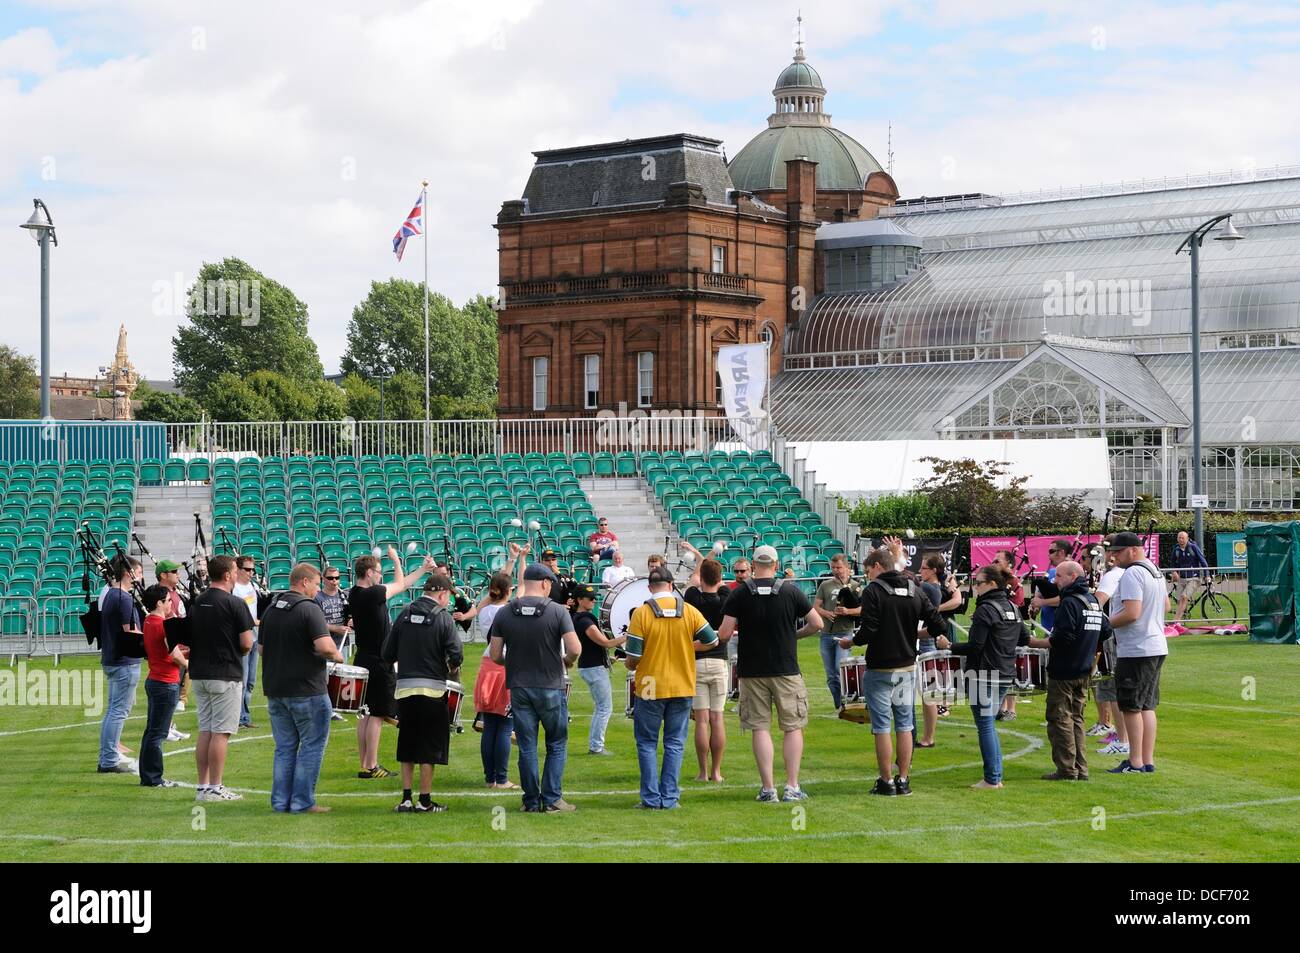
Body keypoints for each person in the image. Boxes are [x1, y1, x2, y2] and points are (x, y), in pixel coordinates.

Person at [719, 545, 822, 803]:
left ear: (753, 565)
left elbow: (723, 633)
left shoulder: (740, 593)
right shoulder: (790, 591)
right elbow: (817, 623)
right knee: (792, 727)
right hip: (786, 668)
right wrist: (794, 636)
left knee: (760, 728)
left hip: (752, 670)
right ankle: (792, 786)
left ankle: (768, 788)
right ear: (776, 565)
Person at [842, 548, 946, 796]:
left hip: (880, 666)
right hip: (907, 666)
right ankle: (903, 779)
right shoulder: (914, 589)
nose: (867, 576)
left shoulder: (874, 591)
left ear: (878, 566)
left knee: (881, 727)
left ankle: (886, 781)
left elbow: (869, 629)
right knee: (904, 724)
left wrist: (851, 643)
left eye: (868, 571)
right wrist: (914, 634)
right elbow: (938, 624)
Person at [488, 563, 581, 812]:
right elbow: (574, 649)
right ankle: (552, 799)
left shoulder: (505, 613)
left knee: (527, 746)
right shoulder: (557, 612)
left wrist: (516, 663)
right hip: (550, 685)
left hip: (519, 686)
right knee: (556, 743)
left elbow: (495, 654)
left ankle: (530, 801)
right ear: (545, 583)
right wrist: (566, 662)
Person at [626, 566, 719, 808]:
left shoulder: (642, 613)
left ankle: (650, 798)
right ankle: (669, 798)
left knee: (647, 743)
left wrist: (628, 662)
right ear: (671, 586)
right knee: (674, 743)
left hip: (649, 684)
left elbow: (634, 656)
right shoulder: (688, 610)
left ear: (649, 587)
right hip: (682, 682)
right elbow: (713, 640)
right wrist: (688, 647)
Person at [260, 564, 343, 813]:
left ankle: (280, 802)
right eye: (317, 584)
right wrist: (338, 657)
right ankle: (302, 802)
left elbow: (262, 648)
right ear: (304, 582)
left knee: (284, 748)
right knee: (311, 746)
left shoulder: (272, 609)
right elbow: (327, 647)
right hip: (307, 689)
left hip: (276, 688)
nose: (318, 589)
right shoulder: (309, 609)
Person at [348, 546, 435, 779]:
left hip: (363, 657)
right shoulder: (371, 593)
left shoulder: (354, 593)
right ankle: (372, 765)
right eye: (377, 571)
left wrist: (422, 568)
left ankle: (365, 763)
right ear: (368, 573)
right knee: (377, 713)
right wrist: (397, 562)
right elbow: (402, 584)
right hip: (378, 660)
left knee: (365, 712)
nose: (379, 575)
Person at [937, 564, 1027, 789]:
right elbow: (1024, 638)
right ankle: (995, 776)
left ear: (992, 584)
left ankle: (993, 778)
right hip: (1004, 673)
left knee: (986, 726)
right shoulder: (1012, 608)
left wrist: (949, 645)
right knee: (988, 725)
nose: (974, 587)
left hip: (984, 674)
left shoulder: (986, 609)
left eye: (978, 583)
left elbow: (975, 646)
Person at [383, 573, 464, 813]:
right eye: (448, 596)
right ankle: (424, 800)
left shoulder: (404, 613)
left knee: (407, 744)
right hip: (433, 690)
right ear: (441, 594)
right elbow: (456, 654)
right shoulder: (443, 618)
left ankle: (406, 798)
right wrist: (450, 666)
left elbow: (387, 653)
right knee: (429, 747)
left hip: (405, 689)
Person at [180, 554, 255, 802]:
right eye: (234, 571)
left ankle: (203, 786)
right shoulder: (235, 603)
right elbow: (247, 642)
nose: (236, 575)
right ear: (227, 574)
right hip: (225, 673)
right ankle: (215, 787)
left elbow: (190, 638)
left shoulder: (197, 602)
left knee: (206, 730)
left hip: (200, 673)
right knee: (221, 732)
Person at [1028, 560, 1106, 781]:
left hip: (1064, 669)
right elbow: (1106, 630)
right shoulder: (1092, 600)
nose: (1054, 580)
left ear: (1073, 577)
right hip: (1085, 668)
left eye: (1059, 576)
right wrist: (1087, 644)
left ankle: (1067, 769)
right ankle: (1081, 768)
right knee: (1077, 719)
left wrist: (1034, 642)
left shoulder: (1069, 602)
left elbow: (1061, 639)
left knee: (1059, 718)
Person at [1104, 531, 1169, 774]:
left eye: (1118, 552)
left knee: (1130, 706)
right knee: (1147, 706)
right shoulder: (1155, 570)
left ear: (1133, 549)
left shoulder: (1132, 573)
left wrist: (1106, 624)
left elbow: (1132, 613)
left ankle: (1135, 761)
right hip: (1155, 644)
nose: (1113, 557)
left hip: (1137, 648)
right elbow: (1166, 606)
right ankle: (1146, 760)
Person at [471, 569, 521, 790]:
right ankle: (501, 779)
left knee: (490, 725)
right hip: (505, 665)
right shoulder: (511, 611)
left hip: (487, 665)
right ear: (508, 591)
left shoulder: (484, 610)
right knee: (505, 725)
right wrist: (519, 560)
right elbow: (523, 590)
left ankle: (490, 777)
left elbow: (486, 601)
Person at [97, 554, 143, 775]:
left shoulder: (110, 595)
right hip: (124, 662)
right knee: (118, 712)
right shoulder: (123, 598)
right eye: (138, 572)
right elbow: (130, 632)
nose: (140, 577)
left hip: (114, 659)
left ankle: (107, 756)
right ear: (128, 573)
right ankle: (108, 759)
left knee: (113, 711)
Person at [684, 557, 728, 782]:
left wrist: (698, 559)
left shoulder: (692, 597)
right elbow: (720, 586)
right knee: (717, 719)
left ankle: (703, 772)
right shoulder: (725, 596)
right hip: (719, 661)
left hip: (696, 660)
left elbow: (693, 580)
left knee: (701, 720)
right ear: (720, 579)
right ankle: (716, 772)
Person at [139, 583, 185, 787]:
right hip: (165, 681)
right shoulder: (161, 624)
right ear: (159, 603)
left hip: (156, 679)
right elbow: (172, 652)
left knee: (152, 731)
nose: (170, 604)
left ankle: (148, 775)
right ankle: (153, 777)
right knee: (158, 733)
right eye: (168, 601)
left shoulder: (149, 620)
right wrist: (187, 663)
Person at [572, 583, 626, 755]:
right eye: (590, 598)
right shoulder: (585, 621)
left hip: (591, 665)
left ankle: (596, 745)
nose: (594, 601)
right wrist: (629, 635)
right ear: (579, 600)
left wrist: (606, 659)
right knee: (604, 708)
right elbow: (605, 642)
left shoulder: (580, 618)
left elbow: (594, 646)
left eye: (595, 598)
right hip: (592, 667)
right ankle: (596, 746)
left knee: (601, 707)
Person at [916, 553, 963, 745]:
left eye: (924, 568)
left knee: (929, 692)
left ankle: (929, 737)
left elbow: (957, 600)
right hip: (927, 639)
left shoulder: (929, 587)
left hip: (927, 640)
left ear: (934, 570)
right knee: (928, 693)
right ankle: (928, 736)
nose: (920, 571)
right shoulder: (934, 586)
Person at [1091, 541, 1129, 754]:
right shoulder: (1149, 572)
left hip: (1115, 636)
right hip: (1135, 640)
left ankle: (1122, 740)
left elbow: (1097, 602)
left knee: (1114, 689)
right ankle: (1123, 738)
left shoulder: (1115, 575)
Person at [813, 554, 860, 711]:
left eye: (839, 567)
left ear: (847, 567)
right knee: (831, 676)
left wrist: (847, 611)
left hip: (845, 633)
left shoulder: (855, 586)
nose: (835, 570)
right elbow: (816, 606)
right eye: (833, 567)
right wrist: (826, 613)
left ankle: (845, 703)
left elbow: (862, 610)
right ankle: (839, 705)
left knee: (840, 671)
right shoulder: (825, 585)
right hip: (826, 633)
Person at [155, 558, 192, 727]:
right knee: (170, 688)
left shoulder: (175, 592)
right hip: (174, 646)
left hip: (182, 644)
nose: (178, 575)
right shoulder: (162, 595)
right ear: (163, 575)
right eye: (174, 572)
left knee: (175, 687)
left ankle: (168, 725)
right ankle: (165, 726)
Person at [314, 565, 351, 722]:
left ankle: (335, 708)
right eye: (330, 578)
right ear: (324, 579)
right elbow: (316, 622)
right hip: (326, 642)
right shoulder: (318, 598)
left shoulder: (344, 596)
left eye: (337, 578)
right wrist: (335, 628)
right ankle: (325, 709)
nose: (334, 581)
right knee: (324, 678)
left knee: (340, 677)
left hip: (343, 642)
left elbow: (350, 616)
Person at [993, 549, 1026, 721]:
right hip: (996, 633)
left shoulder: (1015, 583)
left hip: (1010, 632)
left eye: (998, 561)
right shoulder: (996, 581)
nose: (994, 564)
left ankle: (1011, 709)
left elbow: (1017, 604)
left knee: (1009, 668)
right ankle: (1000, 707)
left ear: (1009, 565)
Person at [231, 555, 262, 730]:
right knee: (241, 680)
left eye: (252, 569)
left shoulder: (251, 585)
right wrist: (254, 621)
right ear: (239, 569)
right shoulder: (234, 588)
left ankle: (244, 715)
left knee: (250, 681)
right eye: (248, 569)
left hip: (254, 636)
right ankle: (239, 717)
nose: (251, 573)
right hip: (243, 636)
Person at [1029, 539, 1072, 633]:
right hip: (1047, 627)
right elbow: (1041, 595)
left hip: (1063, 628)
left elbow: (1067, 599)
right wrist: (1036, 607)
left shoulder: (1072, 573)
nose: (1048, 555)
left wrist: (1041, 602)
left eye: (1051, 551)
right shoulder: (1051, 572)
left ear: (1061, 552)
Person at [1168, 530, 1209, 622]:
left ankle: (1176, 621)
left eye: (1183, 538)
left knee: (1184, 597)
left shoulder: (1193, 547)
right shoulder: (1176, 549)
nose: (1181, 539)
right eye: (1179, 537)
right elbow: (1172, 563)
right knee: (1179, 600)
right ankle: (1181, 620)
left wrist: (1207, 575)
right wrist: (1174, 572)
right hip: (1182, 578)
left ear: (1187, 539)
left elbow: (1203, 562)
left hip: (1194, 578)